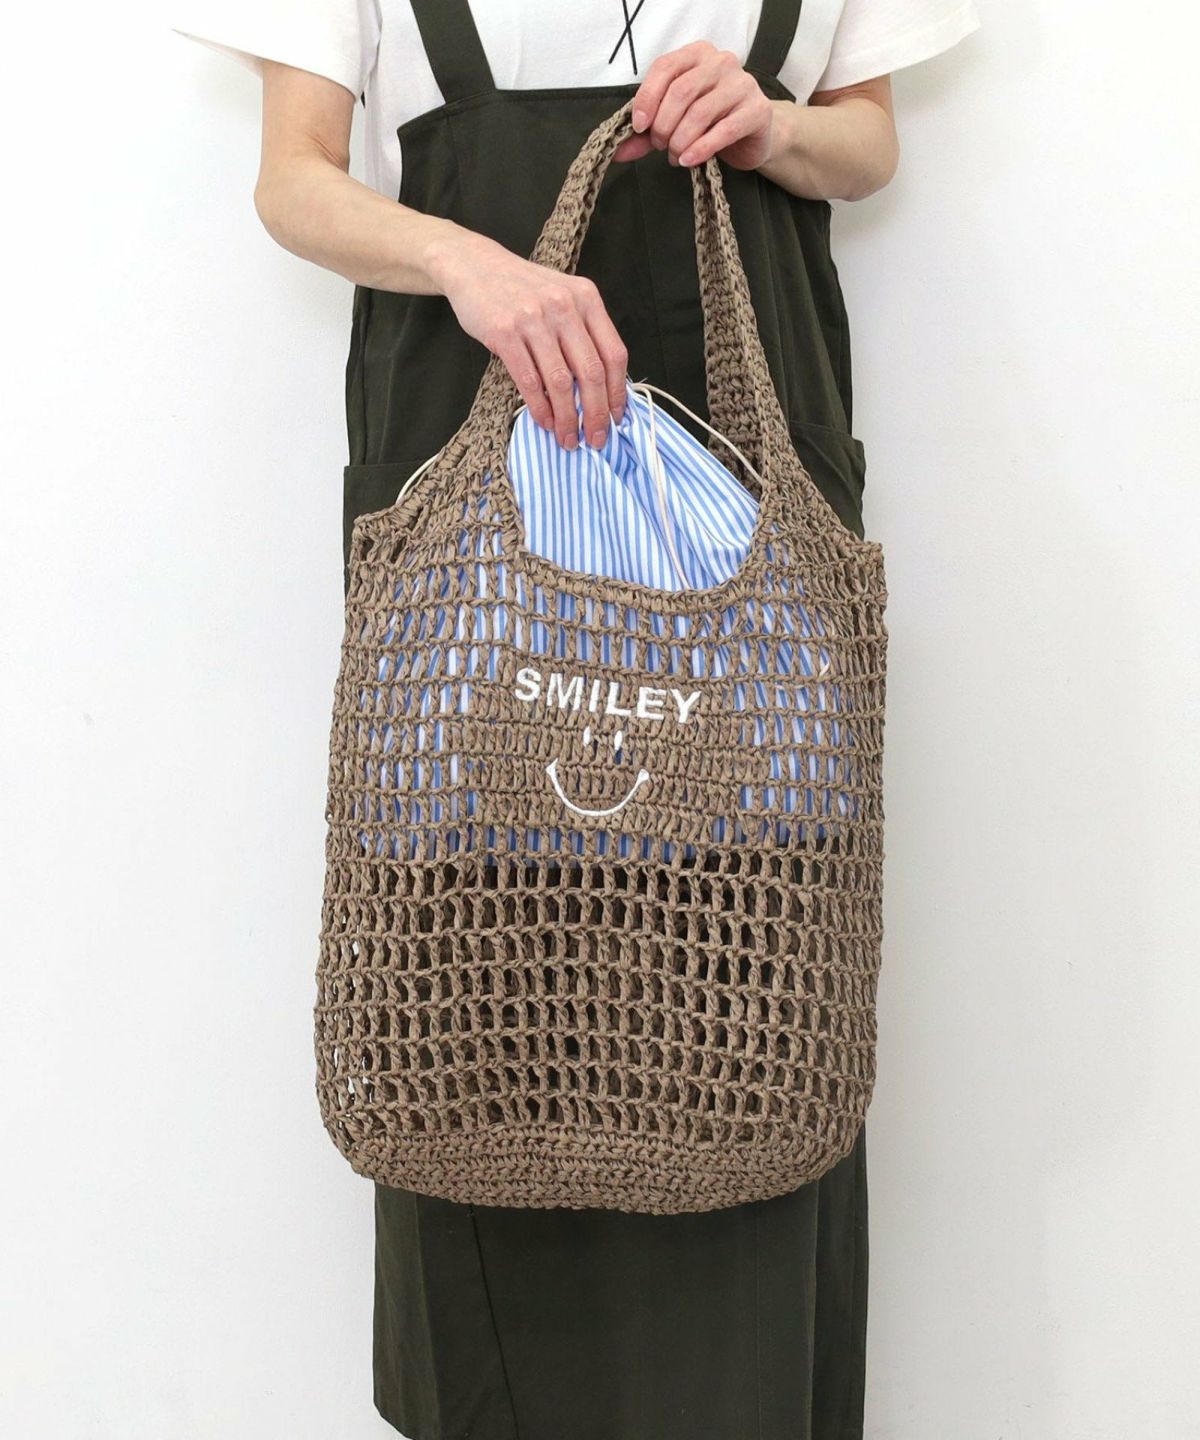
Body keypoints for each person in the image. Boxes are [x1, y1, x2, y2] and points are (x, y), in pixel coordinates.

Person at [171, 3, 979, 1436]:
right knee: (467, 968)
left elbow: (868, 147)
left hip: (752, 467)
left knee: (755, 962)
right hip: (466, 439)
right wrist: (470, 267)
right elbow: (295, 179)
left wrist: (775, 126)